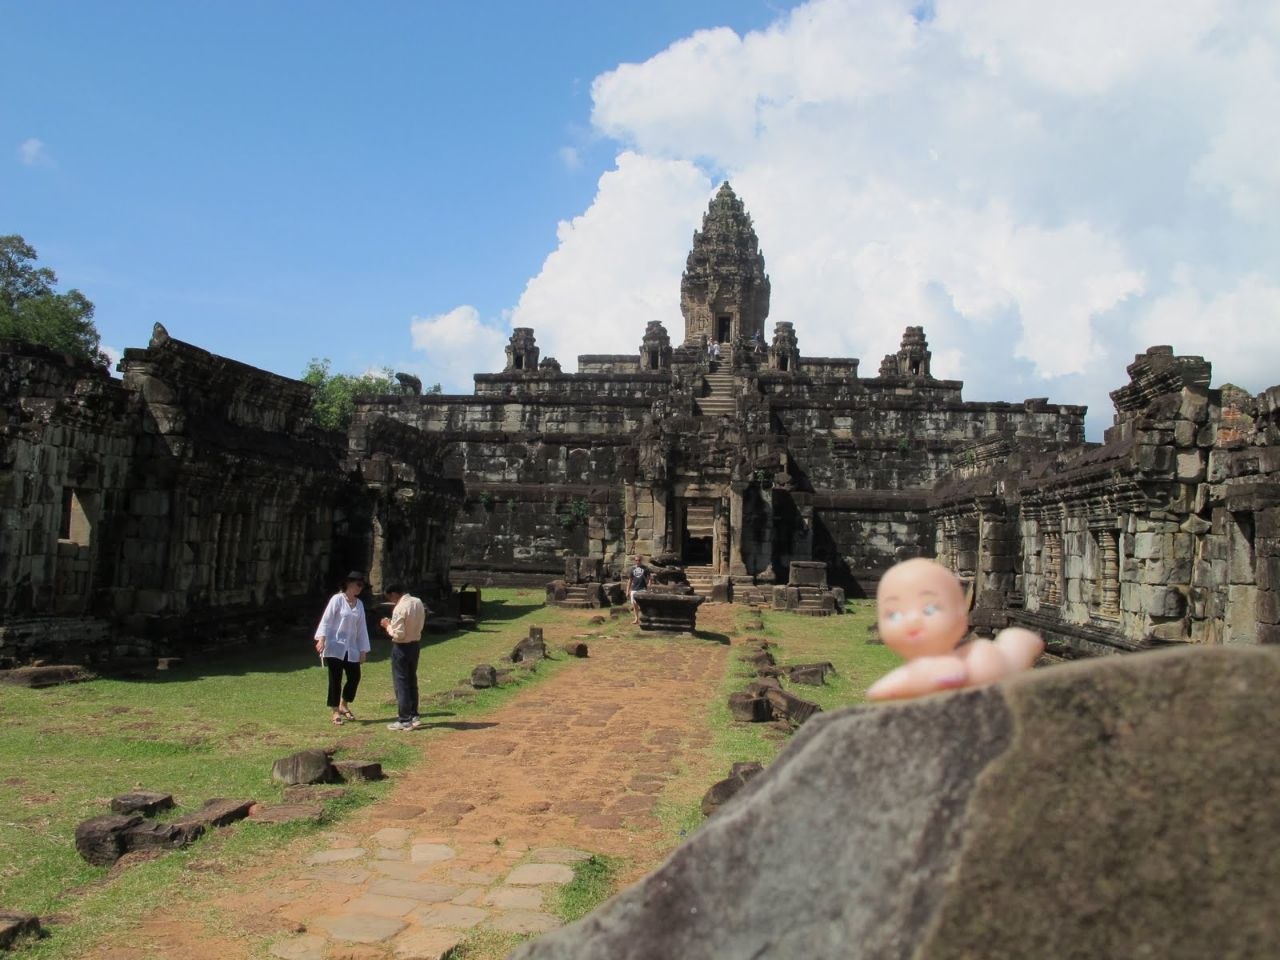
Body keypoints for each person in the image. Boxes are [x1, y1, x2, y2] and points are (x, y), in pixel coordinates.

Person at [866, 558, 1043, 701]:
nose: (912, 620)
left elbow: (949, 675)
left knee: (1012, 656)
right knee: (1011, 653)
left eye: (929, 609)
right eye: (894, 614)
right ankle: (1017, 643)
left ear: (961, 619)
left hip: (990, 662)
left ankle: (1020, 641)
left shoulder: (949, 664)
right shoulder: (921, 667)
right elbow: (902, 680)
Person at [314, 571, 371, 725]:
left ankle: (343, 704)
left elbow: (362, 628)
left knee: (354, 676)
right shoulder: (337, 600)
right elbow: (326, 620)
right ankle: (334, 711)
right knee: (335, 679)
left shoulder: (359, 604)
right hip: (335, 646)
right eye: (357, 584)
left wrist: (363, 650)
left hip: (351, 647)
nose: (359, 588)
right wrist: (322, 639)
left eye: (362, 585)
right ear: (349, 584)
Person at [380, 583, 427, 731]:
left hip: (402, 647)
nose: (391, 601)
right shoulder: (417, 602)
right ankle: (414, 715)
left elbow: (399, 634)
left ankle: (405, 719)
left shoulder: (400, 608)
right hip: (415, 644)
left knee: (401, 682)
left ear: (394, 594)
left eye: (390, 598)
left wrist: (387, 625)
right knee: (412, 680)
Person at [628, 556, 650, 625]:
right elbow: (630, 580)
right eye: (636, 560)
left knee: (642, 605)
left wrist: (649, 588)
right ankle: (636, 619)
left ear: (641, 560)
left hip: (642, 588)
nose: (637, 561)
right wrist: (627, 590)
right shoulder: (632, 569)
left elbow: (648, 580)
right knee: (634, 605)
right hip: (634, 589)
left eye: (639, 560)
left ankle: (644, 617)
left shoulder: (646, 569)